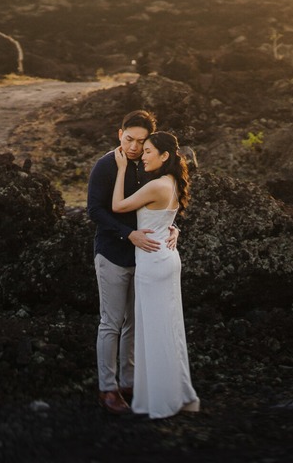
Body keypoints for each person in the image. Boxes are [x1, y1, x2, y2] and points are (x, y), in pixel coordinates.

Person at [85, 110, 178, 415]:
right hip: (112, 254)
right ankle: (108, 389)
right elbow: (95, 211)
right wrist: (129, 235)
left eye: (141, 141)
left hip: (145, 258)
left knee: (134, 324)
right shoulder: (105, 166)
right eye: (129, 139)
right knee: (111, 323)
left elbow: (162, 202)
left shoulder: (150, 166)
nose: (135, 147)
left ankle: (128, 382)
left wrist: (173, 227)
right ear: (119, 134)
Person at [111, 131, 200, 419]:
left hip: (153, 264)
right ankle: (180, 394)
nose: (143, 155)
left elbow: (118, 206)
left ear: (164, 156)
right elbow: (165, 218)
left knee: (156, 332)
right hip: (167, 259)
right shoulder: (171, 182)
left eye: (148, 151)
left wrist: (122, 169)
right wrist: (175, 228)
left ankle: (163, 400)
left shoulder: (157, 185)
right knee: (169, 330)